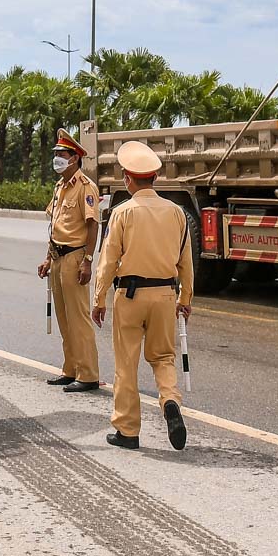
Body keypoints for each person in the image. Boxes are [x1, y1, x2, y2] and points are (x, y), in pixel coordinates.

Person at [92, 141, 193, 451]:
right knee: (163, 357)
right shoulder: (177, 213)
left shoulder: (122, 213)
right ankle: (170, 402)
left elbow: (108, 261)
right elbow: (185, 262)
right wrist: (185, 299)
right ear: (155, 178)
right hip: (165, 295)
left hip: (131, 295)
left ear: (127, 178)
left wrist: (98, 299)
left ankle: (127, 430)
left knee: (126, 364)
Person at [36, 129, 102, 393]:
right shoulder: (60, 187)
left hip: (75, 257)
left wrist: (87, 260)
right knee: (64, 318)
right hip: (58, 258)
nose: (57, 158)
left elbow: (93, 226)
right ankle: (71, 368)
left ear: (74, 158)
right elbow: (55, 225)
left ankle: (88, 374)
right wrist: (47, 259)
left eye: (61, 154)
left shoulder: (86, 187)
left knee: (79, 318)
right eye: (55, 154)